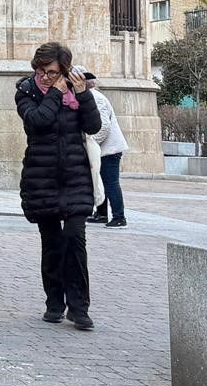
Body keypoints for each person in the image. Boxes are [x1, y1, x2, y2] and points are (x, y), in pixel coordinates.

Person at [16, 41, 101, 330]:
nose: (44, 77)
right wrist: (55, 92)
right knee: (51, 244)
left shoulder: (78, 92)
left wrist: (83, 95)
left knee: (75, 241)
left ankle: (79, 307)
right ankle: (54, 302)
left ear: (64, 69)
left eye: (51, 72)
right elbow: (37, 121)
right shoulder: (27, 91)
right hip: (42, 179)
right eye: (40, 71)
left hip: (76, 177)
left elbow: (93, 126)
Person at [75, 65, 129, 228]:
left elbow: (103, 126)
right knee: (98, 180)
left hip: (109, 149)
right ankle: (101, 214)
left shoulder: (95, 98)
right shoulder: (88, 96)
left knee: (110, 182)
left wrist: (90, 145)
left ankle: (119, 216)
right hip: (102, 149)